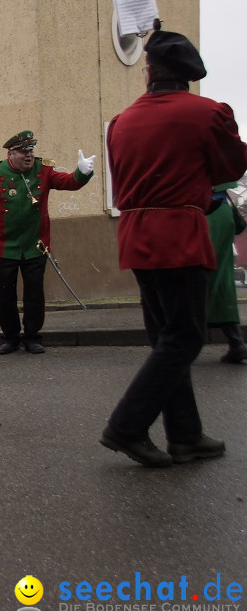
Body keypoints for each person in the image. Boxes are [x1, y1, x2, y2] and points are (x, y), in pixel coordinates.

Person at [101, 28, 246, 468]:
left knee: (167, 339)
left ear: (149, 72)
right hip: (180, 233)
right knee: (185, 337)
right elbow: (232, 165)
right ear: (187, 75)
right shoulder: (205, 113)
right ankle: (126, 426)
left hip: (136, 235)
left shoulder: (122, 120)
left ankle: (185, 435)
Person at [0, 130, 95, 355]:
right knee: (5, 295)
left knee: (34, 294)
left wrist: (82, 173)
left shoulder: (43, 169)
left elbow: (68, 183)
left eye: (31, 151)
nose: (29, 156)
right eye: (23, 152)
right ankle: (10, 338)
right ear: (11, 153)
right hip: (4, 245)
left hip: (35, 245)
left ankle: (32, 336)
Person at [205, 184, 247, 363]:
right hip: (220, 210)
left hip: (205, 211)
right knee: (220, 278)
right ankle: (236, 343)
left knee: (203, 277)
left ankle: (177, 345)